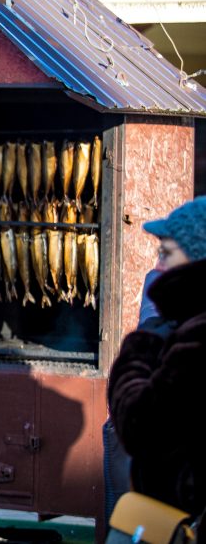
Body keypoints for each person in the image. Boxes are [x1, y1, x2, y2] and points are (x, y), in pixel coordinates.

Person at [108, 196, 206, 522]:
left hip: (184, 515)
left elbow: (141, 427)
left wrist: (138, 349)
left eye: (167, 253)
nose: (159, 267)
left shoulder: (196, 337)